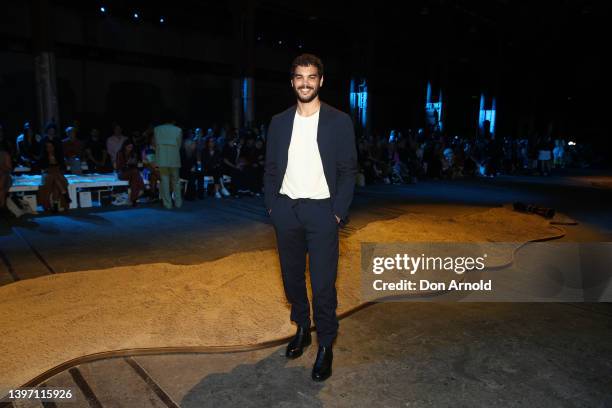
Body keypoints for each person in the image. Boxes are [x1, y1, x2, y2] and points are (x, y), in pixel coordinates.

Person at [264, 54, 357, 382]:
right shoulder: (279, 122)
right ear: (292, 81)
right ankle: (302, 328)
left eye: (312, 77)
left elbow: (348, 171)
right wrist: (273, 207)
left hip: (322, 212)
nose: (305, 83)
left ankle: (326, 344)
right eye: (300, 77)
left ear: (321, 81)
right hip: (286, 210)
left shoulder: (339, 121)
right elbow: (271, 168)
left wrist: (336, 213)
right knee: (291, 279)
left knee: (322, 285)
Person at [154, 114, 183, 209]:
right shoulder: (178, 130)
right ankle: (178, 203)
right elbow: (179, 145)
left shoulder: (157, 129)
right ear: (173, 121)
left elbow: (156, 144)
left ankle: (168, 204)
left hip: (162, 158)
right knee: (176, 181)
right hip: (174, 158)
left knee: (165, 182)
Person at [38, 138, 70, 212]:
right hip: (47, 174)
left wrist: (55, 163)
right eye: (47, 147)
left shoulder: (58, 155)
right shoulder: (43, 156)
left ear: (54, 147)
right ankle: (63, 192)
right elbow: (43, 168)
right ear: (45, 148)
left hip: (57, 174)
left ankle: (55, 206)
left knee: (55, 181)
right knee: (53, 176)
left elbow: (63, 167)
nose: (49, 148)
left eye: (51, 146)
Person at [116, 139, 145, 206]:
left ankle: (133, 200)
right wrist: (127, 164)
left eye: (131, 147)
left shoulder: (133, 153)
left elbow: (137, 165)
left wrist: (136, 163)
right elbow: (118, 167)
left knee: (134, 178)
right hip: (122, 173)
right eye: (129, 147)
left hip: (132, 173)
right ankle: (142, 188)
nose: (130, 149)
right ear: (125, 146)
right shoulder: (120, 153)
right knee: (135, 173)